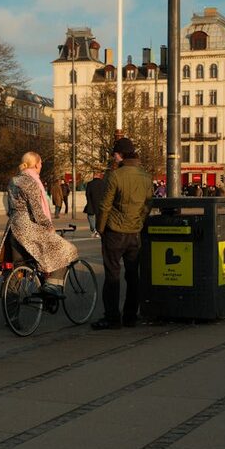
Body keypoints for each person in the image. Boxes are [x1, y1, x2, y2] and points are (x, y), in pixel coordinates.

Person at [93, 137, 152, 330]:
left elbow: (105, 205)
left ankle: (112, 317)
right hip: (134, 232)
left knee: (112, 275)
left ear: (120, 155)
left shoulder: (115, 176)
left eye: (114, 153)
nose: (113, 157)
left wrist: (100, 229)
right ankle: (130, 316)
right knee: (133, 275)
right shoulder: (145, 176)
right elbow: (147, 205)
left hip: (114, 232)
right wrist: (139, 222)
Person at [1, 151, 78, 297]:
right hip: (27, 229)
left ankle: (11, 314)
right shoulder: (31, 182)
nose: (41, 165)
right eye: (41, 163)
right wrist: (49, 227)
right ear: (36, 164)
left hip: (13, 228)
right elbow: (36, 211)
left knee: (18, 268)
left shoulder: (14, 180)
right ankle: (52, 286)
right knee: (66, 249)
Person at [83, 172, 106, 237]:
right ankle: (100, 230)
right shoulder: (104, 183)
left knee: (90, 217)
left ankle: (94, 230)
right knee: (100, 218)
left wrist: (89, 201)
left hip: (91, 203)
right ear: (99, 176)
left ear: (94, 176)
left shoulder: (90, 184)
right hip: (101, 204)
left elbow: (87, 194)